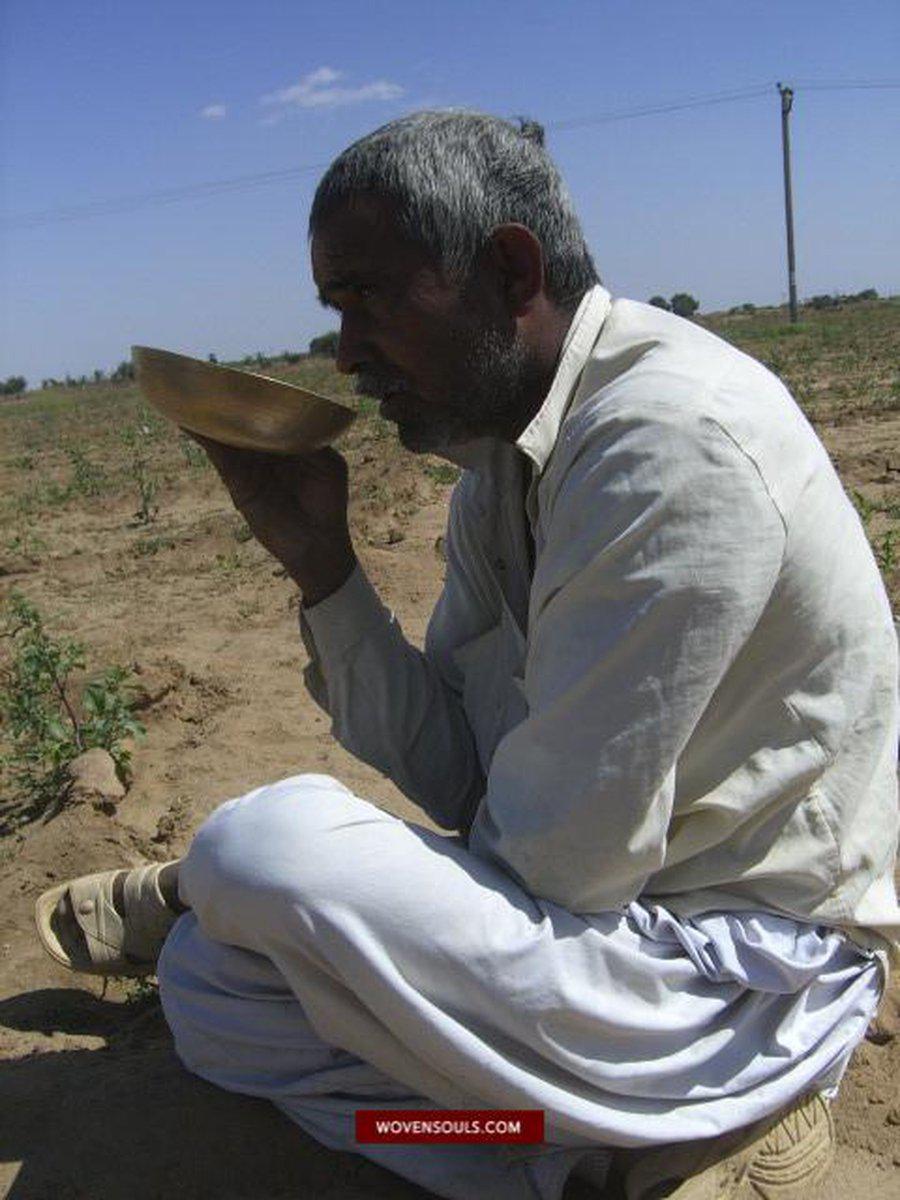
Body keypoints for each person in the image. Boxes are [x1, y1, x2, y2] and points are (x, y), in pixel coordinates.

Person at [36, 111, 899, 1200]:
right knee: (213, 994)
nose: (345, 355)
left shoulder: (670, 444)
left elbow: (557, 866)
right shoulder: (502, 470)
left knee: (271, 844)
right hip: (593, 949)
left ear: (508, 269)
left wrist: (315, 913)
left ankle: (674, 1112)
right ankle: (592, 1151)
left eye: (370, 300)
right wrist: (324, 568)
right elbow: (460, 773)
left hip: (720, 977)